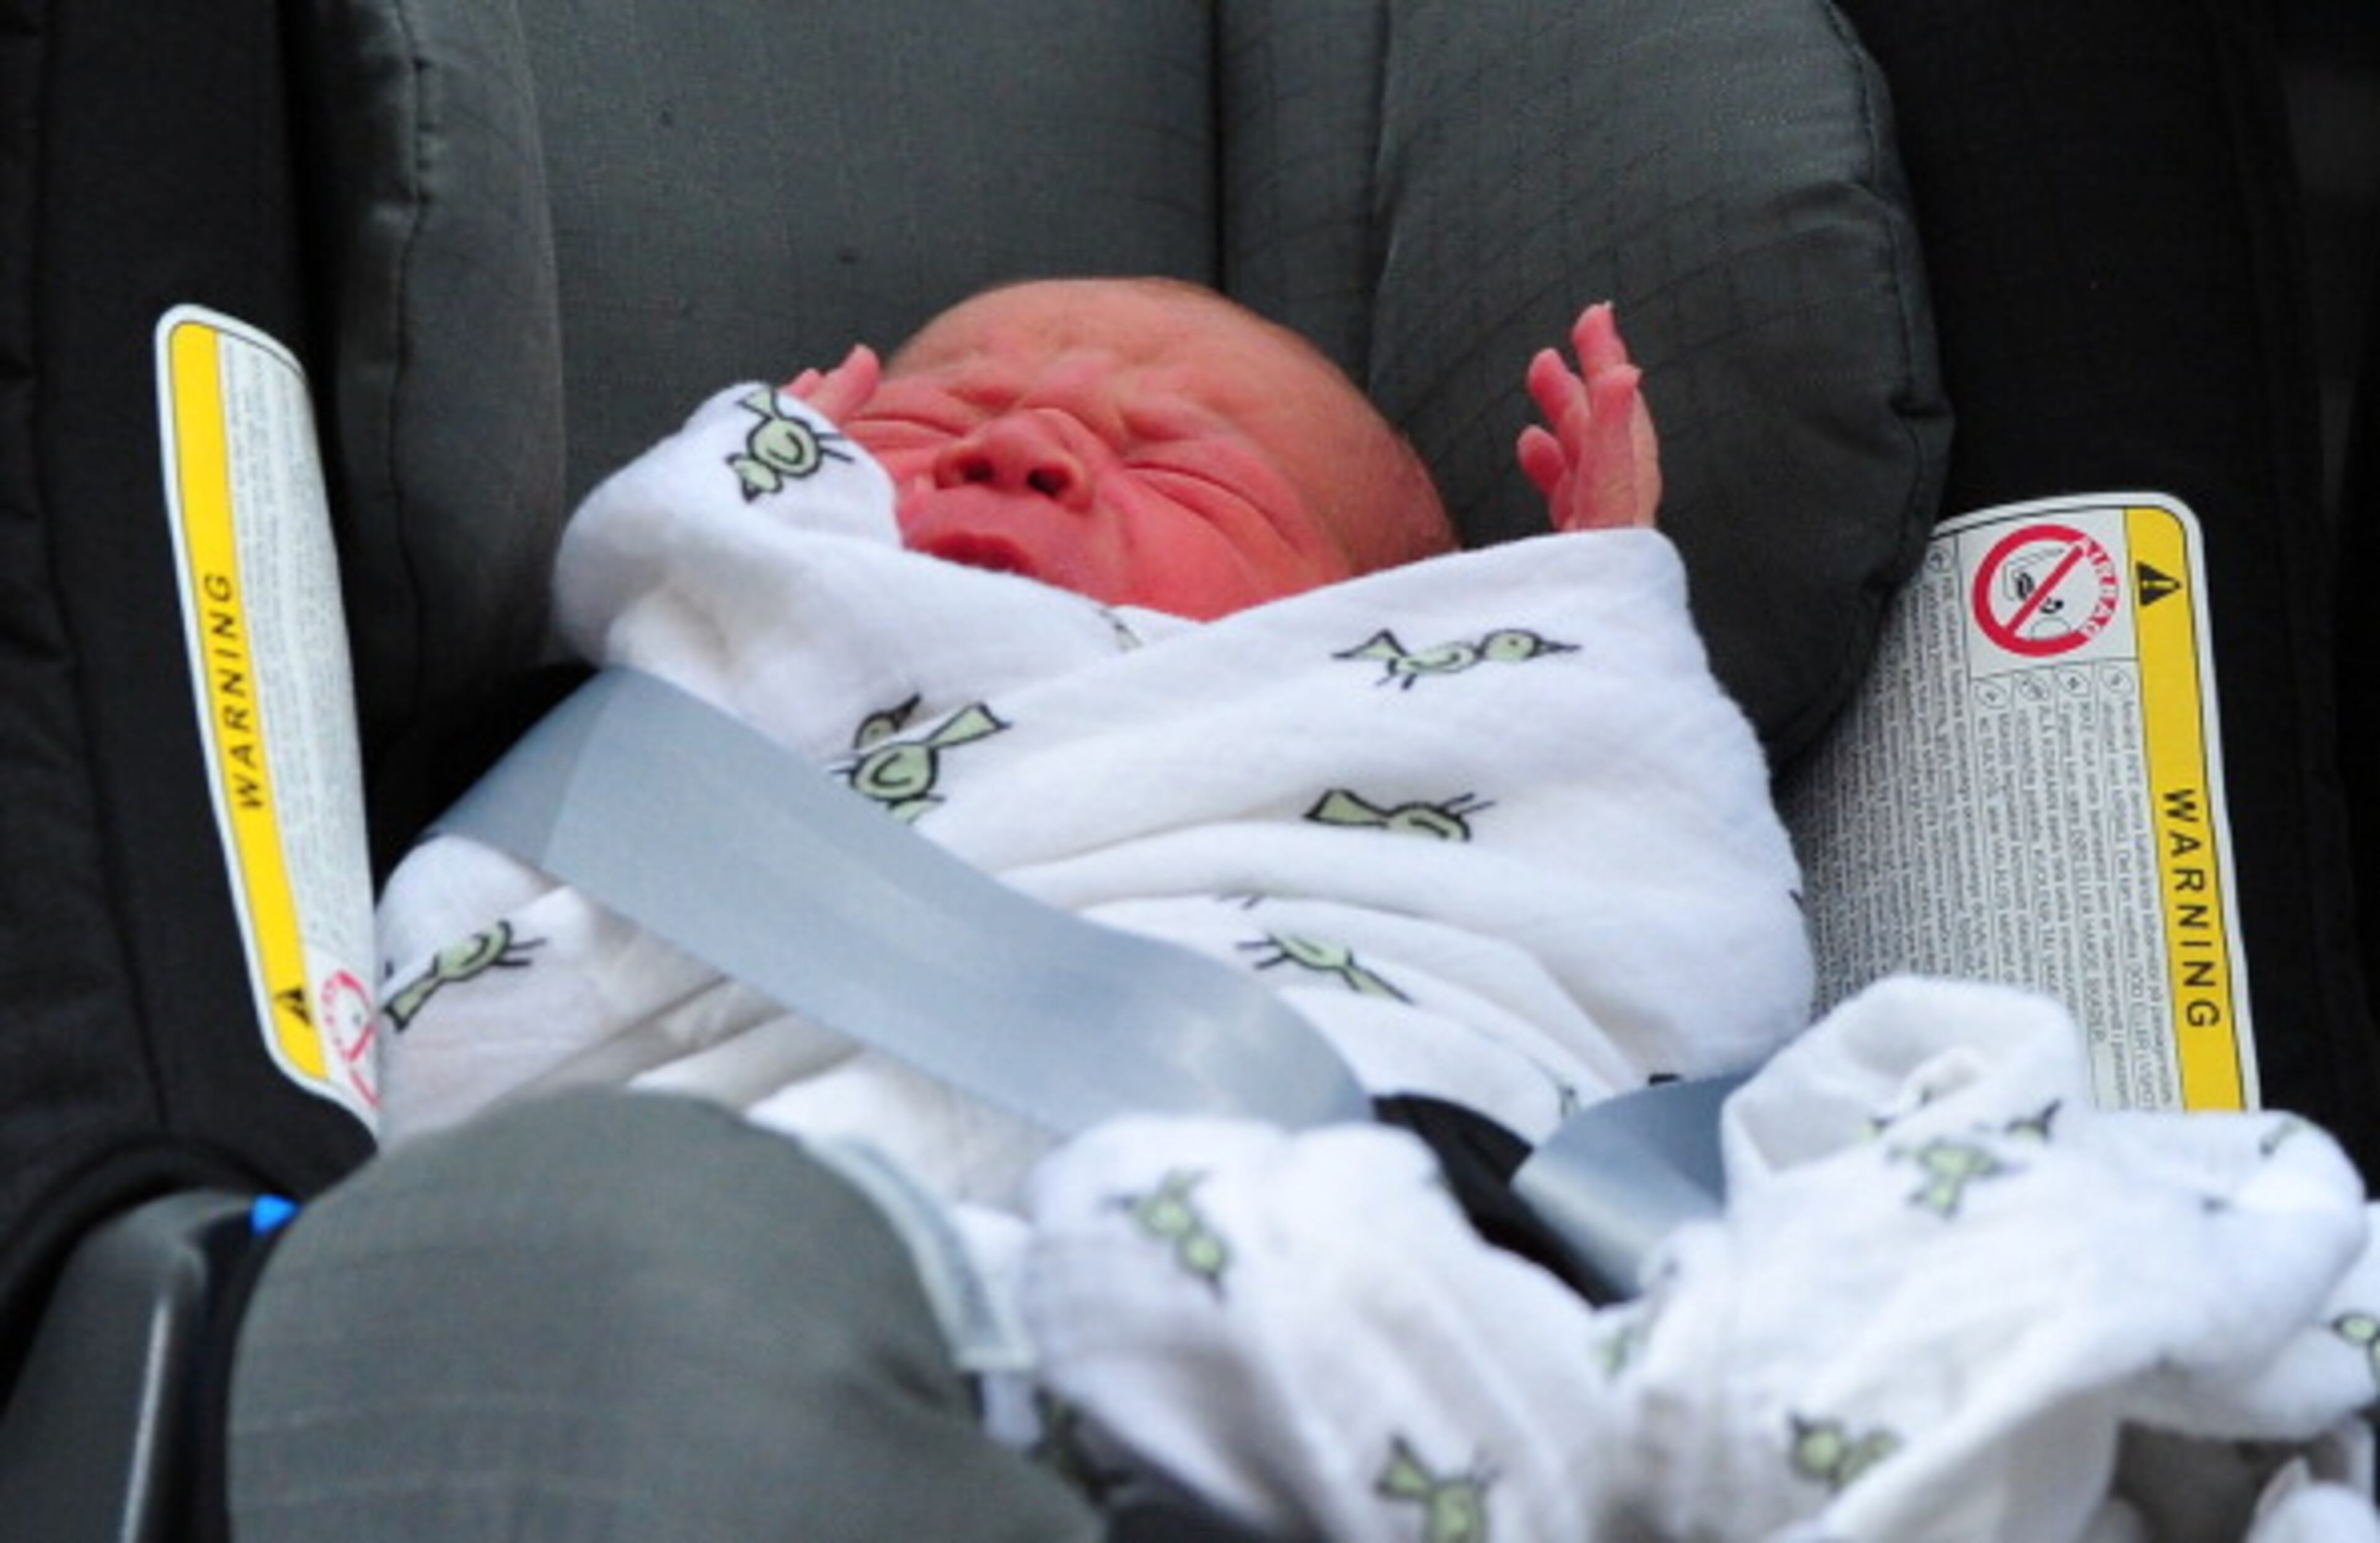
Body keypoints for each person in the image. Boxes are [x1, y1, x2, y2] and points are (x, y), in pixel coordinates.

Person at [238, 277, 1813, 1541]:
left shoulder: (1435, 730)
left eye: (1182, 462)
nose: (1024, 452)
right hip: (731, 1263)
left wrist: (1585, 631)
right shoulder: (645, 731)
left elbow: (1668, 913)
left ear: (1391, 622)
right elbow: (449, 1007)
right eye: (934, 418)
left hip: (1369, 1244)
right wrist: (735, 541)